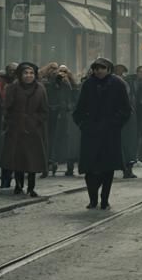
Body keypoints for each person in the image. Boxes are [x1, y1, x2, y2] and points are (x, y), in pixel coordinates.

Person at [73, 58, 132, 209]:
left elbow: (126, 109)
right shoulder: (88, 84)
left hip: (109, 133)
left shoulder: (117, 84)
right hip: (91, 132)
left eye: (102, 68)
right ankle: (93, 198)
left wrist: (115, 123)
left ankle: (104, 199)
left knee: (107, 168)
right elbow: (79, 108)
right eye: (96, 68)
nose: (99, 71)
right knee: (90, 168)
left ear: (108, 69)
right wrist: (82, 124)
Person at [1, 62, 49, 197]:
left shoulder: (40, 89)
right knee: (18, 159)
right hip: (17, 129)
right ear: (20, 75)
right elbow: (7, 108)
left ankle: (31, 187)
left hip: (34, 130)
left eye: (31, 73)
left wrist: (36, 121)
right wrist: (12, 121)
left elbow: (44, 110)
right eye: (26, 73)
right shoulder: (13, 88)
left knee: (32, 160)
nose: (28, 76)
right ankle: (18, 185)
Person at [46, 66, 79, 176]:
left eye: (64, 71)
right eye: (60, 72)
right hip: (56, 116)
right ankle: (52, 162)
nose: (62, 74)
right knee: (55, 139)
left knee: (69, 140)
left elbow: (75, 98)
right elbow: (50, 97)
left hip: (68, 116)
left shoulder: (72, 85)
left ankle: (69, 165)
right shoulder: (53, 84)